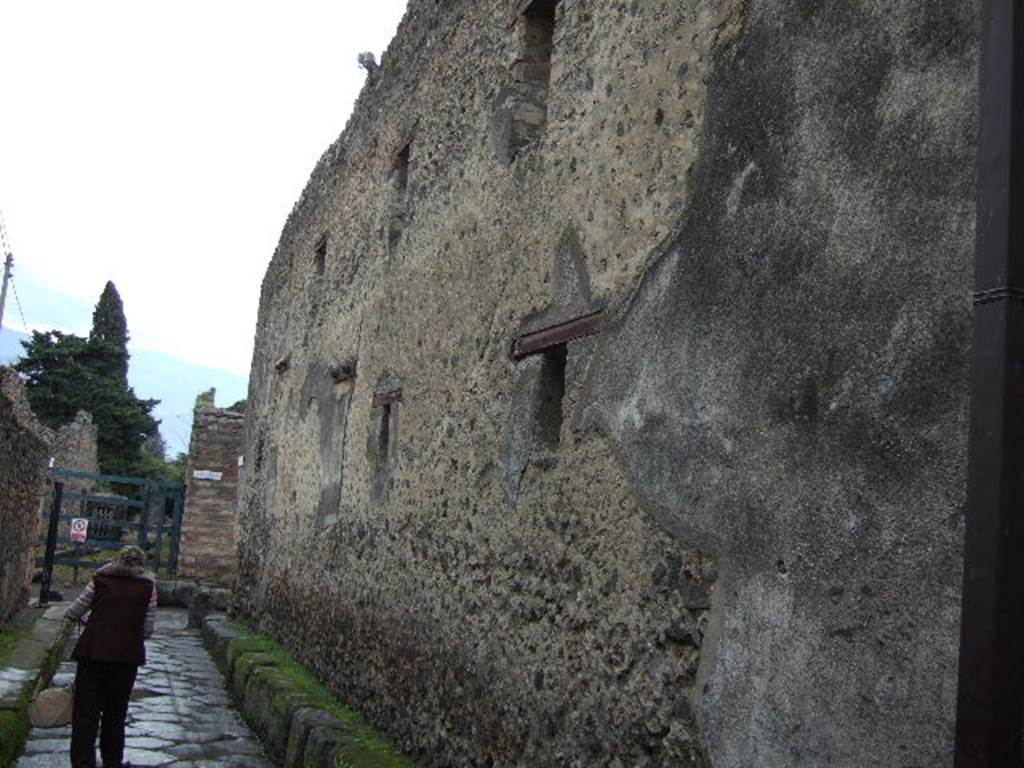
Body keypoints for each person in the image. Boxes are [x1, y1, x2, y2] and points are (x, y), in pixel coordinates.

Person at [64, 545, 157, 768]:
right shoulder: (148, 587)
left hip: (92, 653)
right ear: (141, 565)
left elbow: (74, 611)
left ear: (117, 560)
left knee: (86, 712)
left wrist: (90, 621)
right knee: (116, 713)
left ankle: (82, 762)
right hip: (125, 659)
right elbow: (148, 629)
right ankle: (112, 761)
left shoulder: (100, 579)